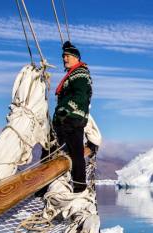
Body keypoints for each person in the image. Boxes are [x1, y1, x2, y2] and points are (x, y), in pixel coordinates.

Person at [52, 41, 92, 193]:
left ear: (76, 58)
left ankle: (79, 187)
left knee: (76, 153)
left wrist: (65, 110)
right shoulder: (73, 73)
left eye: (67, 56)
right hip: (66, 120)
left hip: (72, 120)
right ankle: (50, 186)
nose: (64, 59)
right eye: (63, 56)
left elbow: (81, 96)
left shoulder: (80, 74)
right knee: (56, 151)